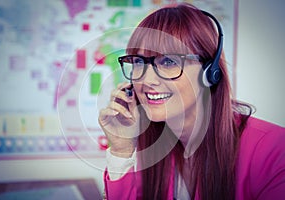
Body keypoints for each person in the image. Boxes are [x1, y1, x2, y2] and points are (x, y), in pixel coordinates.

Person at [98, 3, 285, 200]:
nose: (146, 80)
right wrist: (122, 150)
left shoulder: (274, 150)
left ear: (210, 72)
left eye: (169, 61)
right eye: (138, 62)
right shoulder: (149, 147)